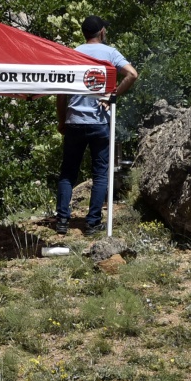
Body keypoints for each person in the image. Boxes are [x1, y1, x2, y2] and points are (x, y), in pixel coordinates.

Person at [55, 15, 139, 235]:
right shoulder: (110, 53)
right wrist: (112, 96)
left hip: (74, 121)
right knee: (100, 174)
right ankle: (92, 223)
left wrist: (62, 120)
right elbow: (132, 74)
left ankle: (62, 221)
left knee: (68, 173)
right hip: (99, 122)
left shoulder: (72, 54)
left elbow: (61, 94)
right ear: (102, 32)